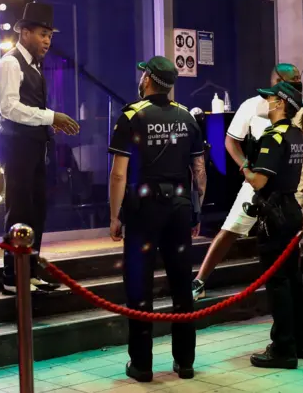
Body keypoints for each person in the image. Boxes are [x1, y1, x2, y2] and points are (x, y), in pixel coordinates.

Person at [192, 64, 303, 313]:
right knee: (230, 229)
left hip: (290, 188)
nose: (296, 84)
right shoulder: (253, 106)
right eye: (290, 80)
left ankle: (288, 302)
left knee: (286, 246)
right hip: (258, 186)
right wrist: (246, 168)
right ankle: (200, 280)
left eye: (298, 80)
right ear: (276, 81)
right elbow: (231, 141)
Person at [108, 56, 207, 382]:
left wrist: (114, 215)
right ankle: (186, 362)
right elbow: (199, 173)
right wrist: (196, 212)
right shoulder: (187, 118)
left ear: (148, 79)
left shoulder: (131, 117)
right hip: (179, 208)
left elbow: (119, 174)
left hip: (143, 208)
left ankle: (142, 366)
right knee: (181, 285)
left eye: (143, 74)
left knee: (139, 287)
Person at [0, 2, 80, 294]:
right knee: (19, 210)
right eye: (43, 34)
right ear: (25, 32)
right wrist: (49, 116)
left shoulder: (34, 66)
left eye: (50, 36)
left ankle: (29, 273)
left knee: (37, 210)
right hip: (16, 144)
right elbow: (9, 109)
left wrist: (47, 123)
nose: (47, 40)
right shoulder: (10, 63)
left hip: (34, 145)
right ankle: (11, 276)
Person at [241, 81, 303, 369]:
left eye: (268, 98)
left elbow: (259, 181)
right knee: (292, 279)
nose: (265, 102)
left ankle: (283, 348)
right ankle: (299, 341)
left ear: (280, 103)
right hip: (292, 209)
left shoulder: (274, 137)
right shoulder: (296, 135)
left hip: (274, 214)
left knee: (278, 282)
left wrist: (245, 164)